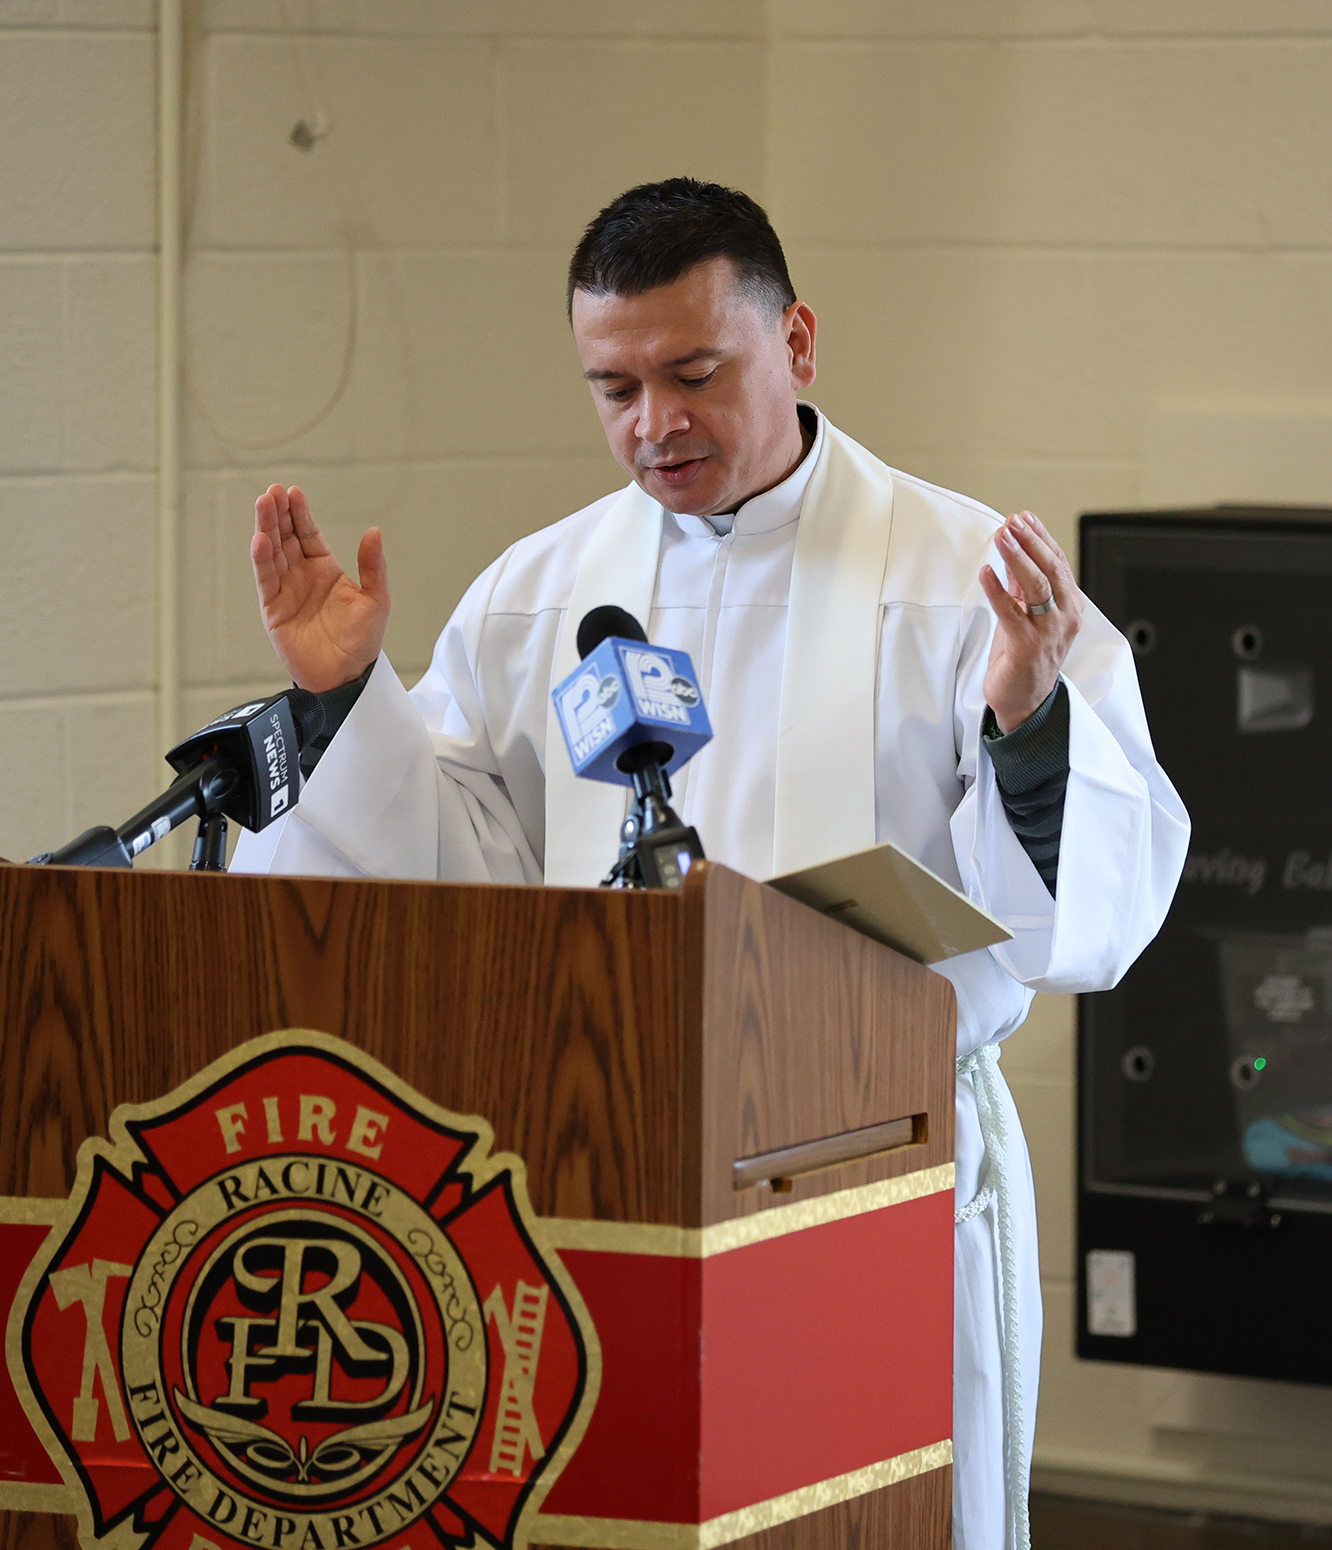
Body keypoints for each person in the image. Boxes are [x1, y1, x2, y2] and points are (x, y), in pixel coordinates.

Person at [230, 177, 1189, 1550]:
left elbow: (1089, 905)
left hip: (875, 1165)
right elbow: (456, 870)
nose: (653, 424)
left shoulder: (969, 579)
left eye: (693, 374)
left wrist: (1030, 724)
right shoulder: (539, 594)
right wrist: (343, 704)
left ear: (795, 342)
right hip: (594, 1163)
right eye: (613, 388)